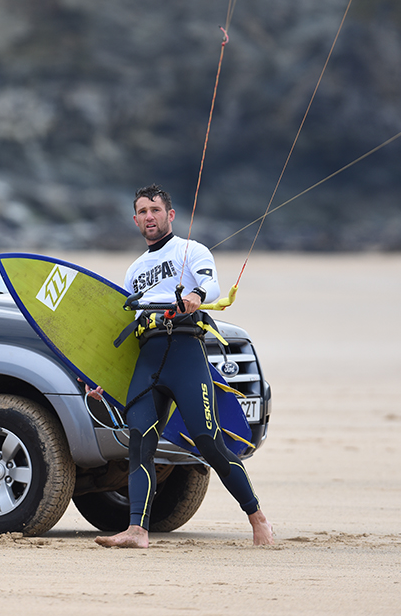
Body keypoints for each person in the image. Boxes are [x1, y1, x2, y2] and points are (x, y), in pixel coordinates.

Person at [89, 184, 273, 548]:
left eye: (155, 210)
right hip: (148, 359)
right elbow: (117, 334)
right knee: (139, 444)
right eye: (142, 212)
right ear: (135, 219)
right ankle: (137, 531)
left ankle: (257, 517)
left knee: (208, 441)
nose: (149, 217)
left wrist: (194, 296)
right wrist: (96, 378)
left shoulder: (191, 251)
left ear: (170, 215)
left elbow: (212, 286)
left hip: (185, 353)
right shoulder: (134, 271)